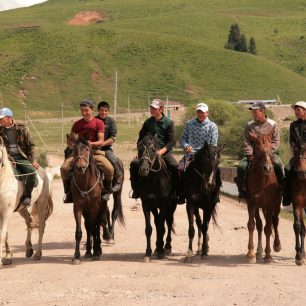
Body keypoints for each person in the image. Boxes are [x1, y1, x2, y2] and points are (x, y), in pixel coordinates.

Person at [60, 99, 114, 202]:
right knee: (63, 168)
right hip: (79, 153)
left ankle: (106, 192)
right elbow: (70, 140)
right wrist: (72, 146)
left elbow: (101, 141)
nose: (84, 113)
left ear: (92, 110)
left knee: (109, 168)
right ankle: (68, 193)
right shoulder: (77, 124)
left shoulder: (99, 123)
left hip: (95, 152)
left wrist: (91, 144)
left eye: (86, 110)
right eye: (82, 110)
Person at [129, 98, 180, 201]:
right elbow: (141, 139)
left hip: (163, 152)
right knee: (134, 164)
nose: (151, 110)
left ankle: (176, 192)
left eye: (154, 108)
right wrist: (140, 152)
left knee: (175, 166)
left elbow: (171, 141)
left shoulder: (169, 123)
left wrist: (161, 151)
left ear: (161, 109)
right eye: (151, 108)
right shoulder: (147, 122)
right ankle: (136, 190)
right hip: (147, 152)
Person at [236, 101, 284, 199]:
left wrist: (268, 152)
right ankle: (242, 189)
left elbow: (276, 140)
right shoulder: (249, 125)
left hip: (270, 153)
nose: (253, 114)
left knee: (278, 164)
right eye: (252, 112)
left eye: (255, 111)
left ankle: (281, 188)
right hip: (253, 154)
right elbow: (246, 141)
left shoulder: (273, 124)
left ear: (262, 112)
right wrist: (249, 154)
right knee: (241, 166)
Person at [180, 102, 221, 204]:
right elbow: (183, 139)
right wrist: (186, 146)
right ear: (196, 112)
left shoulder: (212, 126)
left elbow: (213, 144)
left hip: (207, 156)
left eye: (202, 112)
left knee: (217, 171)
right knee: (179, 169)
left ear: (207, 113)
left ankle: (216, 195)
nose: (200, 114)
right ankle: (181, 193)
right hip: (191, 154)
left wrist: (206, 154)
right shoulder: (189, 124)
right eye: (199, 112)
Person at [0, 107, 40, 211]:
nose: (0, 120)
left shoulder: (22, 128)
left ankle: (27, 196)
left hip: (21, 157)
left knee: (31, 172)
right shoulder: (0, 130)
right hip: (7, 158)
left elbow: (31, 146)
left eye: (1, 118)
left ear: (9, 118)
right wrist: (7, 156)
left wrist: (34, 160)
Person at [282, 101, 306, 206]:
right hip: (298, 155)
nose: (296, 112)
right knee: (287, 169)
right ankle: (287, 197)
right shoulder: (293, 125)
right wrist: (296, 152)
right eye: (295, 110)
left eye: (298, 110)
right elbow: (291, 141)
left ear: (304, 111)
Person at [95, 101, 121, 192]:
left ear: (108, 111)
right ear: (98, 110)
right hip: (93, 148)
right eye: (102, 110)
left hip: (106, 148)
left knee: (114, 161)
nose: (103, 112)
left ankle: (117, 181)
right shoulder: (93, 120)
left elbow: (113, 138)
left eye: (106, 111)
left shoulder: (111, 121)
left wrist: (102, 143)